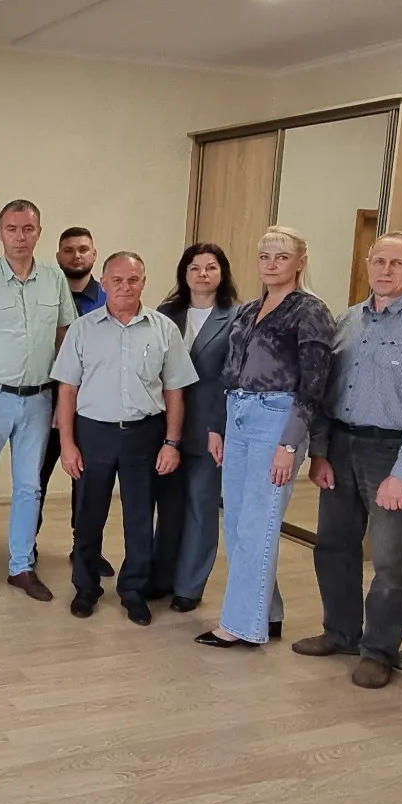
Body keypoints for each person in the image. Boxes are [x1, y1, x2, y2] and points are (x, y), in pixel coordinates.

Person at [291, 233, 402, 688]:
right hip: (340, 446)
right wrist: (320, 451)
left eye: (397, 263)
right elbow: (325, 392)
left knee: (389, 560)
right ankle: (341, 633)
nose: (385, 270)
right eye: (379, 261)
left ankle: (379, 651)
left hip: (393, 451)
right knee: (333, 547)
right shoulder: (348, 320)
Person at [196, 226, 333, 649]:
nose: (271, 264)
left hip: (277, 418)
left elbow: (315, 384)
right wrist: (217, 425)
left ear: (300, 262)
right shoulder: (248, 309)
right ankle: (266, 612)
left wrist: (289, 444)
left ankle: (241, 625)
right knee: (238, 521)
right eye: (265, 256)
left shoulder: (310, 311)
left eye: (281, 256)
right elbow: (229, 370)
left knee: (259, 522)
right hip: (238, 413)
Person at [52, 251, 196, 623]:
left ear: (143, 282)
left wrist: (172, 442)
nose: (125, 287)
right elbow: (67, 389)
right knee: (88, 515)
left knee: (139, 518)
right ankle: (86, 588)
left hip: (144, 435)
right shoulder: (83, 329)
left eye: (133, 280)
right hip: (92, 434)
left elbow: (175, 390)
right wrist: (67, 444)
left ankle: (133, 590)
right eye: (116, 280)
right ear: (104, 283)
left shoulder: (163, 329)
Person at [0, 199, 76, 605]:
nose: (20, 237)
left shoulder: (54, 280)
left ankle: (21, 566)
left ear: (38, 232)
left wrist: (63, 402)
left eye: (27, 228)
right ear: (0, 232)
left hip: (39, 399)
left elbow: (65, 341)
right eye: (12, 228)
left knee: (29, 487)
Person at [150, 244, 241, 612]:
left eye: (211, 267)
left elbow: (235, 377)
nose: (203, 274)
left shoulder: (237, 317)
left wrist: (220, 425)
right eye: (195, 267)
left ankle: (189, 585)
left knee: (201, 507)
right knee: (168, 505)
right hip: (165, 425)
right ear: (184, 274)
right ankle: (162, 577)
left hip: (210, 426)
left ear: (222, 273)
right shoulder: (165, 314)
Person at [37, 227, 106, 556]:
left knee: (88, 482)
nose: (76, 256)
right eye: (68, 250)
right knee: (36, 477)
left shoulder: (109, 298)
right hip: (46, 400)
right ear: (57, 257)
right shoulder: (45, 295)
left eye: (82, 249)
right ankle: (27, 547)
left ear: (94, 254)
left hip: (92, 404)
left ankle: (85, 551)